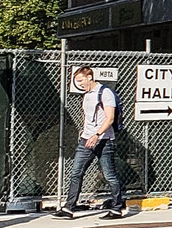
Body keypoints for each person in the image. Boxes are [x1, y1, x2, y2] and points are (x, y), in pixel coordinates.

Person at [53, 66, 125, 220]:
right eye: (77, 81)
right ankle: (69, 207)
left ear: (90, 77)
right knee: (76, 173)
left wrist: (97, 134)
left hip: (104, 140)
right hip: (86, 139)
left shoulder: (105, 93)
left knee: (109, 175)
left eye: (81, 80)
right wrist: (85, 133)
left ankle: (117, 207)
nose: (79, 84)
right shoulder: (86, 95)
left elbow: (109, 118)